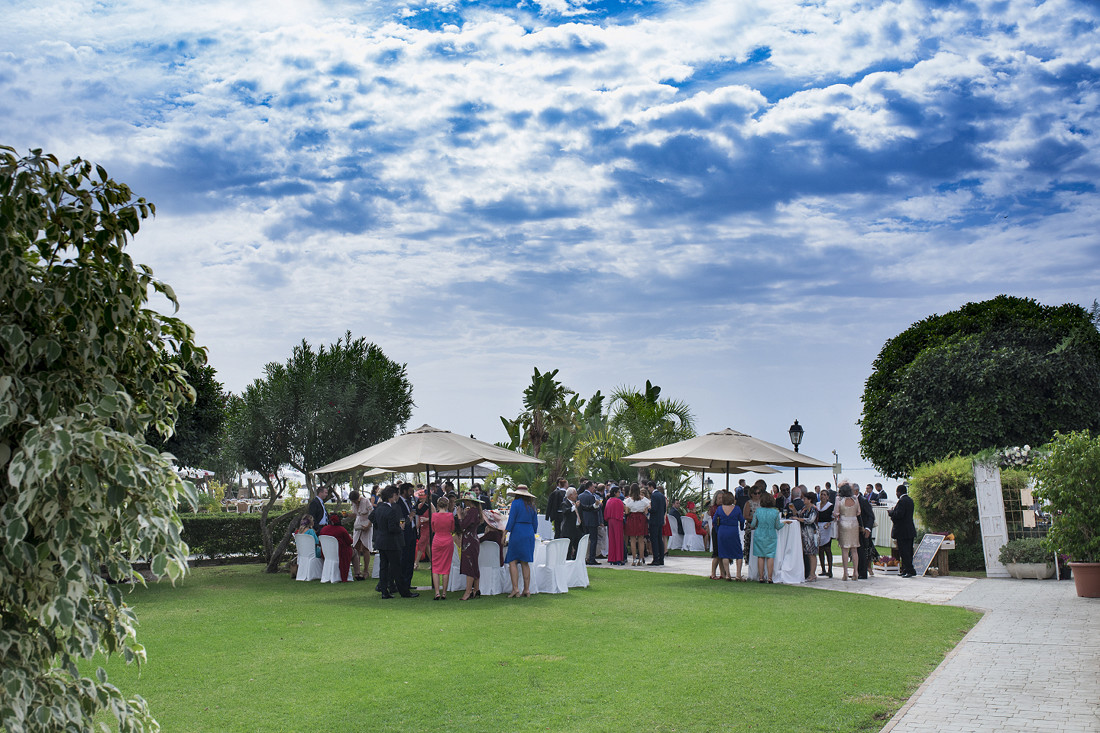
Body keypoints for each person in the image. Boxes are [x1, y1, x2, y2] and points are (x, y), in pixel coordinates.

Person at [372, 486, 417, 598]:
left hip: (381, 541)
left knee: (383, 567)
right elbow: (393, 528)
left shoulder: (379, 508)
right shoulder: (391, 510)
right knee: (396, 567)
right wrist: (400, 527)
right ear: (392, 496)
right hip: (391, 542)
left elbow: (373, 520)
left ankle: (384, 591)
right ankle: (404, 592)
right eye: (396, 495)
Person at [505, 486, 538, 598]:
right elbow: (535, 524)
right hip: (529, 532)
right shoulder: (532, 505)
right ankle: (527, 589)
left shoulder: (515, 503)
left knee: (512, 561)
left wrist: (504, 533)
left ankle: (515, 589)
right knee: (525, 562)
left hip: (518, 532)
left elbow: (511, 520)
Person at [749, 493, 782, 583]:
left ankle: (761, 577)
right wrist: (785, 523)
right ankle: (770, 578)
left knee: (761, 556)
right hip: (771, 535)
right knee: (770, 556)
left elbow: (752, 524)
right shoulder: (775, 512)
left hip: (759, 535)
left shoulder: (758, 511)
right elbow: (778, 526)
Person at [457, 492, 484, 601]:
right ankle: (476, 589)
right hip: (473, 539)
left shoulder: (473, 511)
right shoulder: (475, 511)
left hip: (469, 541)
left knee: (469, 565)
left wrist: (459, 515)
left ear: (469, 501)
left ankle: (468, 591)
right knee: (474, 564)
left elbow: (463, 525)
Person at [713, 490, 746, 581]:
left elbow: (714, 521)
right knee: (738, 553)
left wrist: (717, 530)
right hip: (733, 531)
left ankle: (727, 574)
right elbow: (742, 520)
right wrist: (742, 528)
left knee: (724, 553)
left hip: (722, 531)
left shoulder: (719, 509)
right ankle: (738, 574)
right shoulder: (737, 509)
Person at [428, 496, 455, 600]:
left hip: (437, 540)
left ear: (438, 505)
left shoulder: (434, 516)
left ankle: (437, 592)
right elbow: (452, 529)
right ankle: (444, 592)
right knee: (445, 568)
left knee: (435, 567)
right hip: (447, 540)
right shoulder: (450, 516)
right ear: (447, 505)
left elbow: (433, 529)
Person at [888, 484, 917, 576]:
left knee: (904, 552)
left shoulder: (902, 501)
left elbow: (899, 515)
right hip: (909, 530)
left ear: (899, 492)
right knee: (908, 550)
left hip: (902, 531)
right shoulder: (910, 500)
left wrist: (891, 513)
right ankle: (906, 569)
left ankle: (909, 570)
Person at [835, 483, 861, 581]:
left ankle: (845, 572)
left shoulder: (839, 499)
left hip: (844, 523)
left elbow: (836, 512)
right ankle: (856, 572)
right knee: (854, 549)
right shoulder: (855, 499)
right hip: (854, 523)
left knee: (844, 549)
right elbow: (859, 512)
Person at [319, 514, 354, 582]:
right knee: (355, 553)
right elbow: (349, 541)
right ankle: (358, 573)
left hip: (327, 553)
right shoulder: (342, 530)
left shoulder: (324, 529)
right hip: (340, 553)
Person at [623, 483, 650, 566]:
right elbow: (647, 509)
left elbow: (627, 512)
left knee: (633, 540)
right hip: (641, 518)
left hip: (632, 518)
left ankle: (634, 559)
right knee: (641, 540)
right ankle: (641, 559)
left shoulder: (628, 500)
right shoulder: (644, 499)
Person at [349, 489, 373, 580]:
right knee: (356, 547)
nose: (355, 502)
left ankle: (366, 570)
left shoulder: (366, 501)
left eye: (355, 500)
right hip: (358, 525)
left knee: (365, 547)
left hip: (367, 524)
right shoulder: (354, 504)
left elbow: (371, 513)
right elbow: (355, 514)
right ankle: (357, 571)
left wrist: (368, 525)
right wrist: (347, 515)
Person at [795, 491, 819, 582]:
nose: (803, 500)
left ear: (810, 500)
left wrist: (799, 519)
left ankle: (812, 574)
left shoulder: (813, 509)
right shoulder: (804, 508)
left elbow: (810, 520)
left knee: (812, 554)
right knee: (808, 554)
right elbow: (799, 514)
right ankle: (810, 573)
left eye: (805, 499)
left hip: (812, 533)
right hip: (805, 533)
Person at [577, 480, 603, 565]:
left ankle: (584, 557)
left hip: (584, 521)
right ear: (589, 487)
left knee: (584, 540)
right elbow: (594, 508)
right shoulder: (591, 497)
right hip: (592, 521)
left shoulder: (580, 496)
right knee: (593, 540)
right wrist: (598, 505)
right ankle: (591, 558)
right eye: (593, 487)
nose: (594, 489)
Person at [742, 481, 764, 567]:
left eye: (759, 493)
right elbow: (745, 516)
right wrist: (755, 518)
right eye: (755, 493)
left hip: (761, 527)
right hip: (751, 526)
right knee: (750, 546)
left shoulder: (763, 502)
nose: (757, 495)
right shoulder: (748, 503)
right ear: (751, 494)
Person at [856, 486, 876, 578]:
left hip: (863, 530)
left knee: (862, 551)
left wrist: (867, 528)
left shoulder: (863, 500)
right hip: (854, 530)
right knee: (855, 551)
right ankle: (857, 571)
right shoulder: (851, 500)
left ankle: (863, 573)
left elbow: (871, 516)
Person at [604, 484, 626, 565]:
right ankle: (619, 558)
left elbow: (606, 513)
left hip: (610, 521)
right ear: (615, 493)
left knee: (612, 540)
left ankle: (612, 558)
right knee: (618, 539)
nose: (619, 493)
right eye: (618, 492)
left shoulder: (608, 501)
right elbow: (622, 512)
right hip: (617, 521)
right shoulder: (619, 501)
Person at [559, 487, 582, 560]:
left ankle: (575, 562)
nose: (577, 495)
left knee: (578, 547)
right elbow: (565, 511)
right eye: (575, 494)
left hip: (576, 529)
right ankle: (567, 563)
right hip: (568, 530)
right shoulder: (565, 503)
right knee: (568, 549)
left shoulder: (576, 503)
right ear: (571, 495)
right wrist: (574, 507)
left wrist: (595, 505)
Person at [648, 481, 667, 566]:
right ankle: (661, 559)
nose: (648, 489)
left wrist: (648, 509)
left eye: (648, 487)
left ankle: (656, 559)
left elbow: (654, 509)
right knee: (660, 539)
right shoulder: (662, 496)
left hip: (654, 521)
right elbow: (664, 508)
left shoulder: (654, 495)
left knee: (654, 540)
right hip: (660, 520)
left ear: (651, 487)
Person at [816, 490, 834, 578]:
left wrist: (829, 523)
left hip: (826, 528)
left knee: (827, 548)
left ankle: (830, 570)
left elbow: (834, 517)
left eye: (824, 495)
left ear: (827, 497)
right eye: (821, 494)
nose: (822, 496)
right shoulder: (817, 505)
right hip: (818, 527)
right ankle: (823, 569)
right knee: (820, 549)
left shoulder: (830, 506)